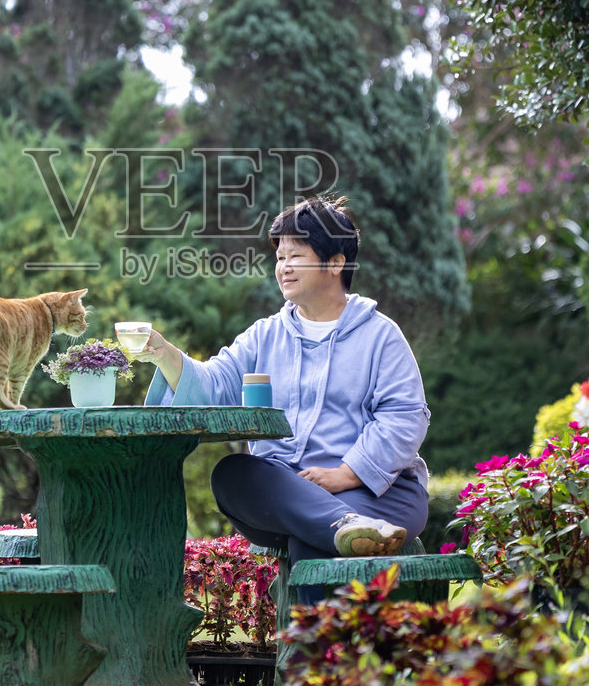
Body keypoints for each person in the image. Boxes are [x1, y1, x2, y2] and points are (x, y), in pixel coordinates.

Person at [134, 195, 430, 565]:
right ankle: (340, 525)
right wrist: (166, 354)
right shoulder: (264, 335)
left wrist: (346, 473)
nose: (284, 268)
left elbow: (404, 417)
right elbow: (216, 385)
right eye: (280, 258)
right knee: (232, 474)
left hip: (379, 491)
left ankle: (318, 603)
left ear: (336, 262)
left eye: (296, 256)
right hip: (286, 491)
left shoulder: (380, 335)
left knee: (311, 542)